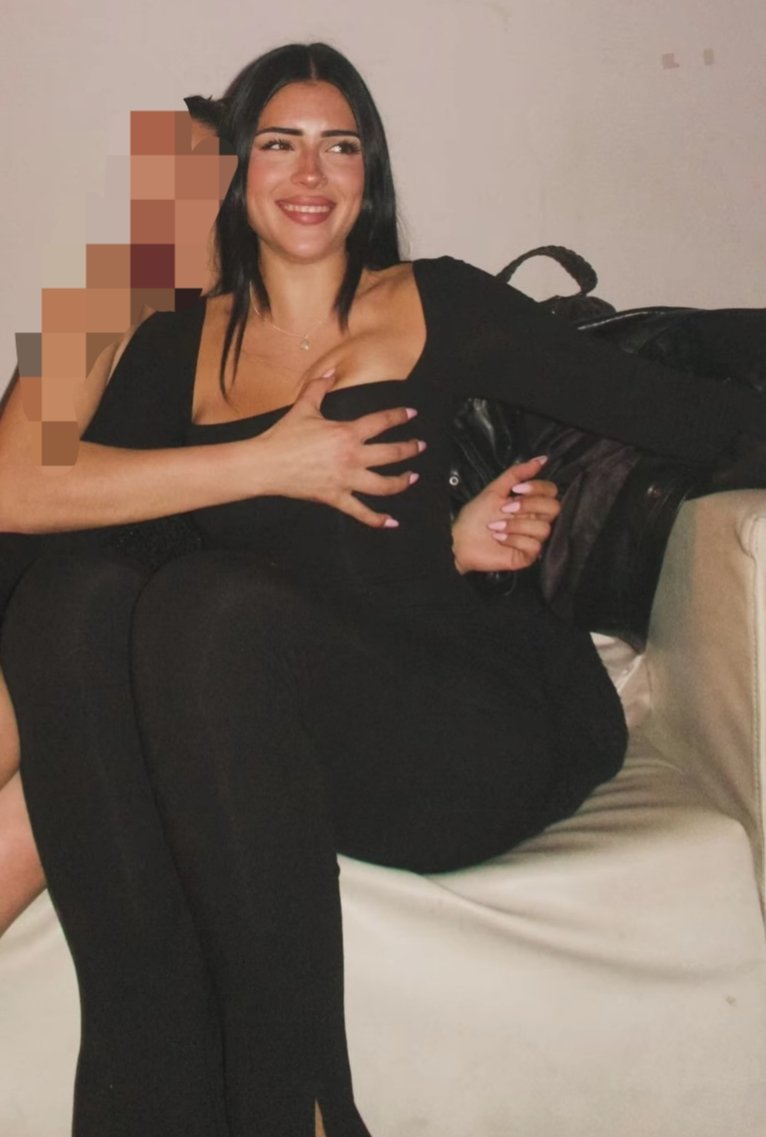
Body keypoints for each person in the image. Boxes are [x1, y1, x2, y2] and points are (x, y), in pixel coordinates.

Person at [0, 40, 762, 1137]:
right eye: (276, 145)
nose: (310, 173)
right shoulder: (159, 334)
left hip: (462, 714)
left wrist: (443, 540)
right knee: (82, 598)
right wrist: (269, 456)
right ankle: (140, 1094)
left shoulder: (435, 299)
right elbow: (40, 503)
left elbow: (688, 416)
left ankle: (304, 1112)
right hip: (278, 713)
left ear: (371, 174)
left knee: (209, 609)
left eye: (340, 146)